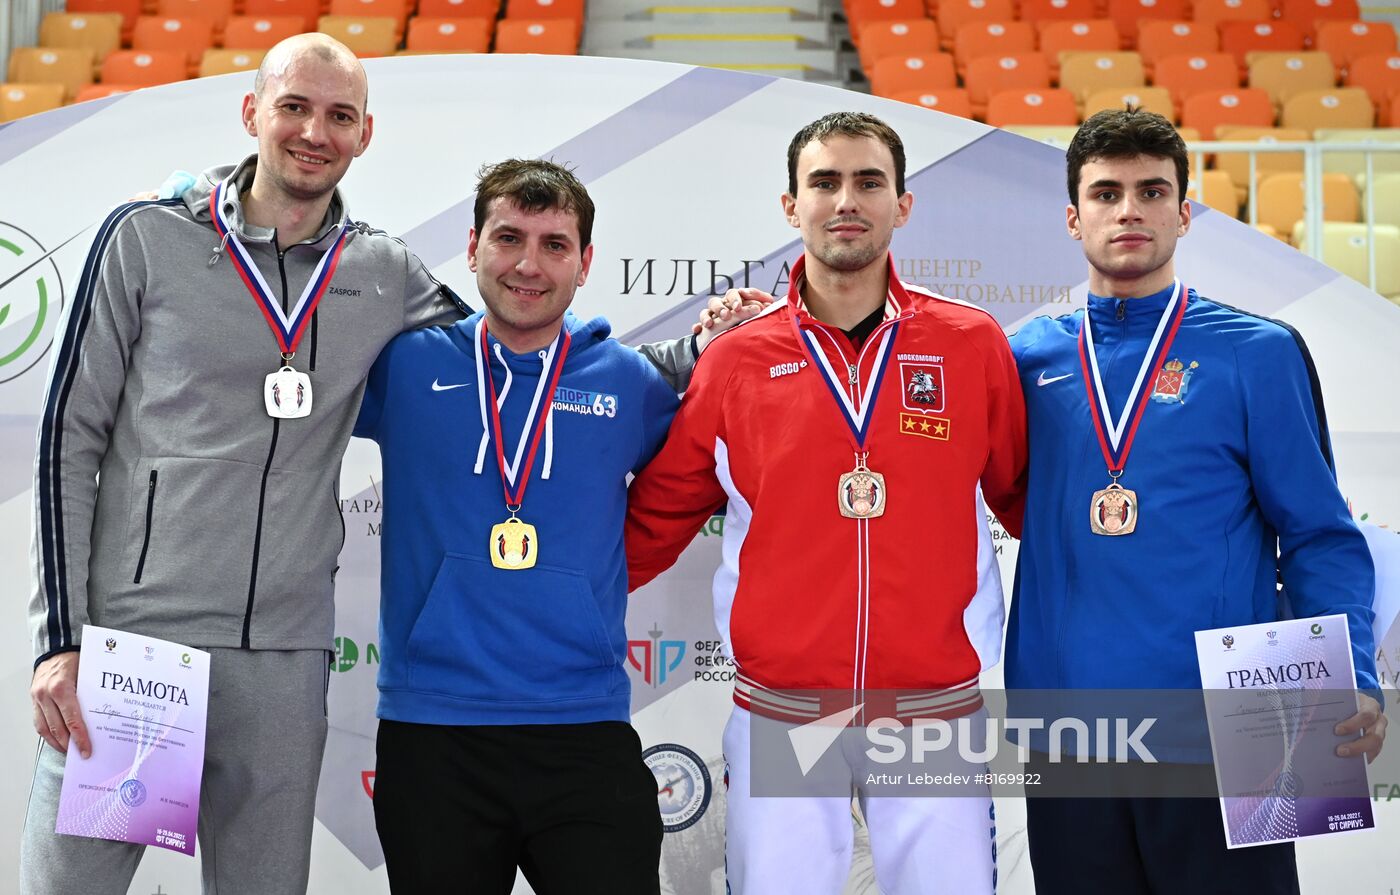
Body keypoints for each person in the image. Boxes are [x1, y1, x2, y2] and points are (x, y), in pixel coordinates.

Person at [23, 34, 708, 894]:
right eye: (294, 108)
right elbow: (67, 436)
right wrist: (61, 640)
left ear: (363, 134)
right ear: (251, 114)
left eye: (338, 115)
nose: (315, 131)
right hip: (141, 646)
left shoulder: (379, 271)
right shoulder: (149, 238)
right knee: (70, 889)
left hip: (284, 657)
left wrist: (694, 350)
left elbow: (507, 343)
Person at [624, 111, 1028, 894]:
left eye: (869, 181)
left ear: (902, 204)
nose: (847, 199)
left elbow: (1026, 504)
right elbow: (659, 515)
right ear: (791, 205)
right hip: (782, 711)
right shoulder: (737, 359)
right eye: (825, 182)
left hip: (934, 712)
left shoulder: (970, 344)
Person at [1004, 106, 1387, 894]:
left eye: (1152, 191)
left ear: (1185, 212)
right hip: (1071, 730)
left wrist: (1351, 667)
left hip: (1236, 724)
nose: (1130, 210)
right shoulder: (1020, 359)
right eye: (1107, 193)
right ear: (1074, 217)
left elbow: (1318, 533)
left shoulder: (1259, 353)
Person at [356, 157, 674, 894]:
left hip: (583, 728)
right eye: (508, 238)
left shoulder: (628, 381)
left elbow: (725, 450)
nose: (529, 264)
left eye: (555, 244)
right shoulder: (400, 366)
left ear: (585, 262)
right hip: (433, 733)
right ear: (471, 248)